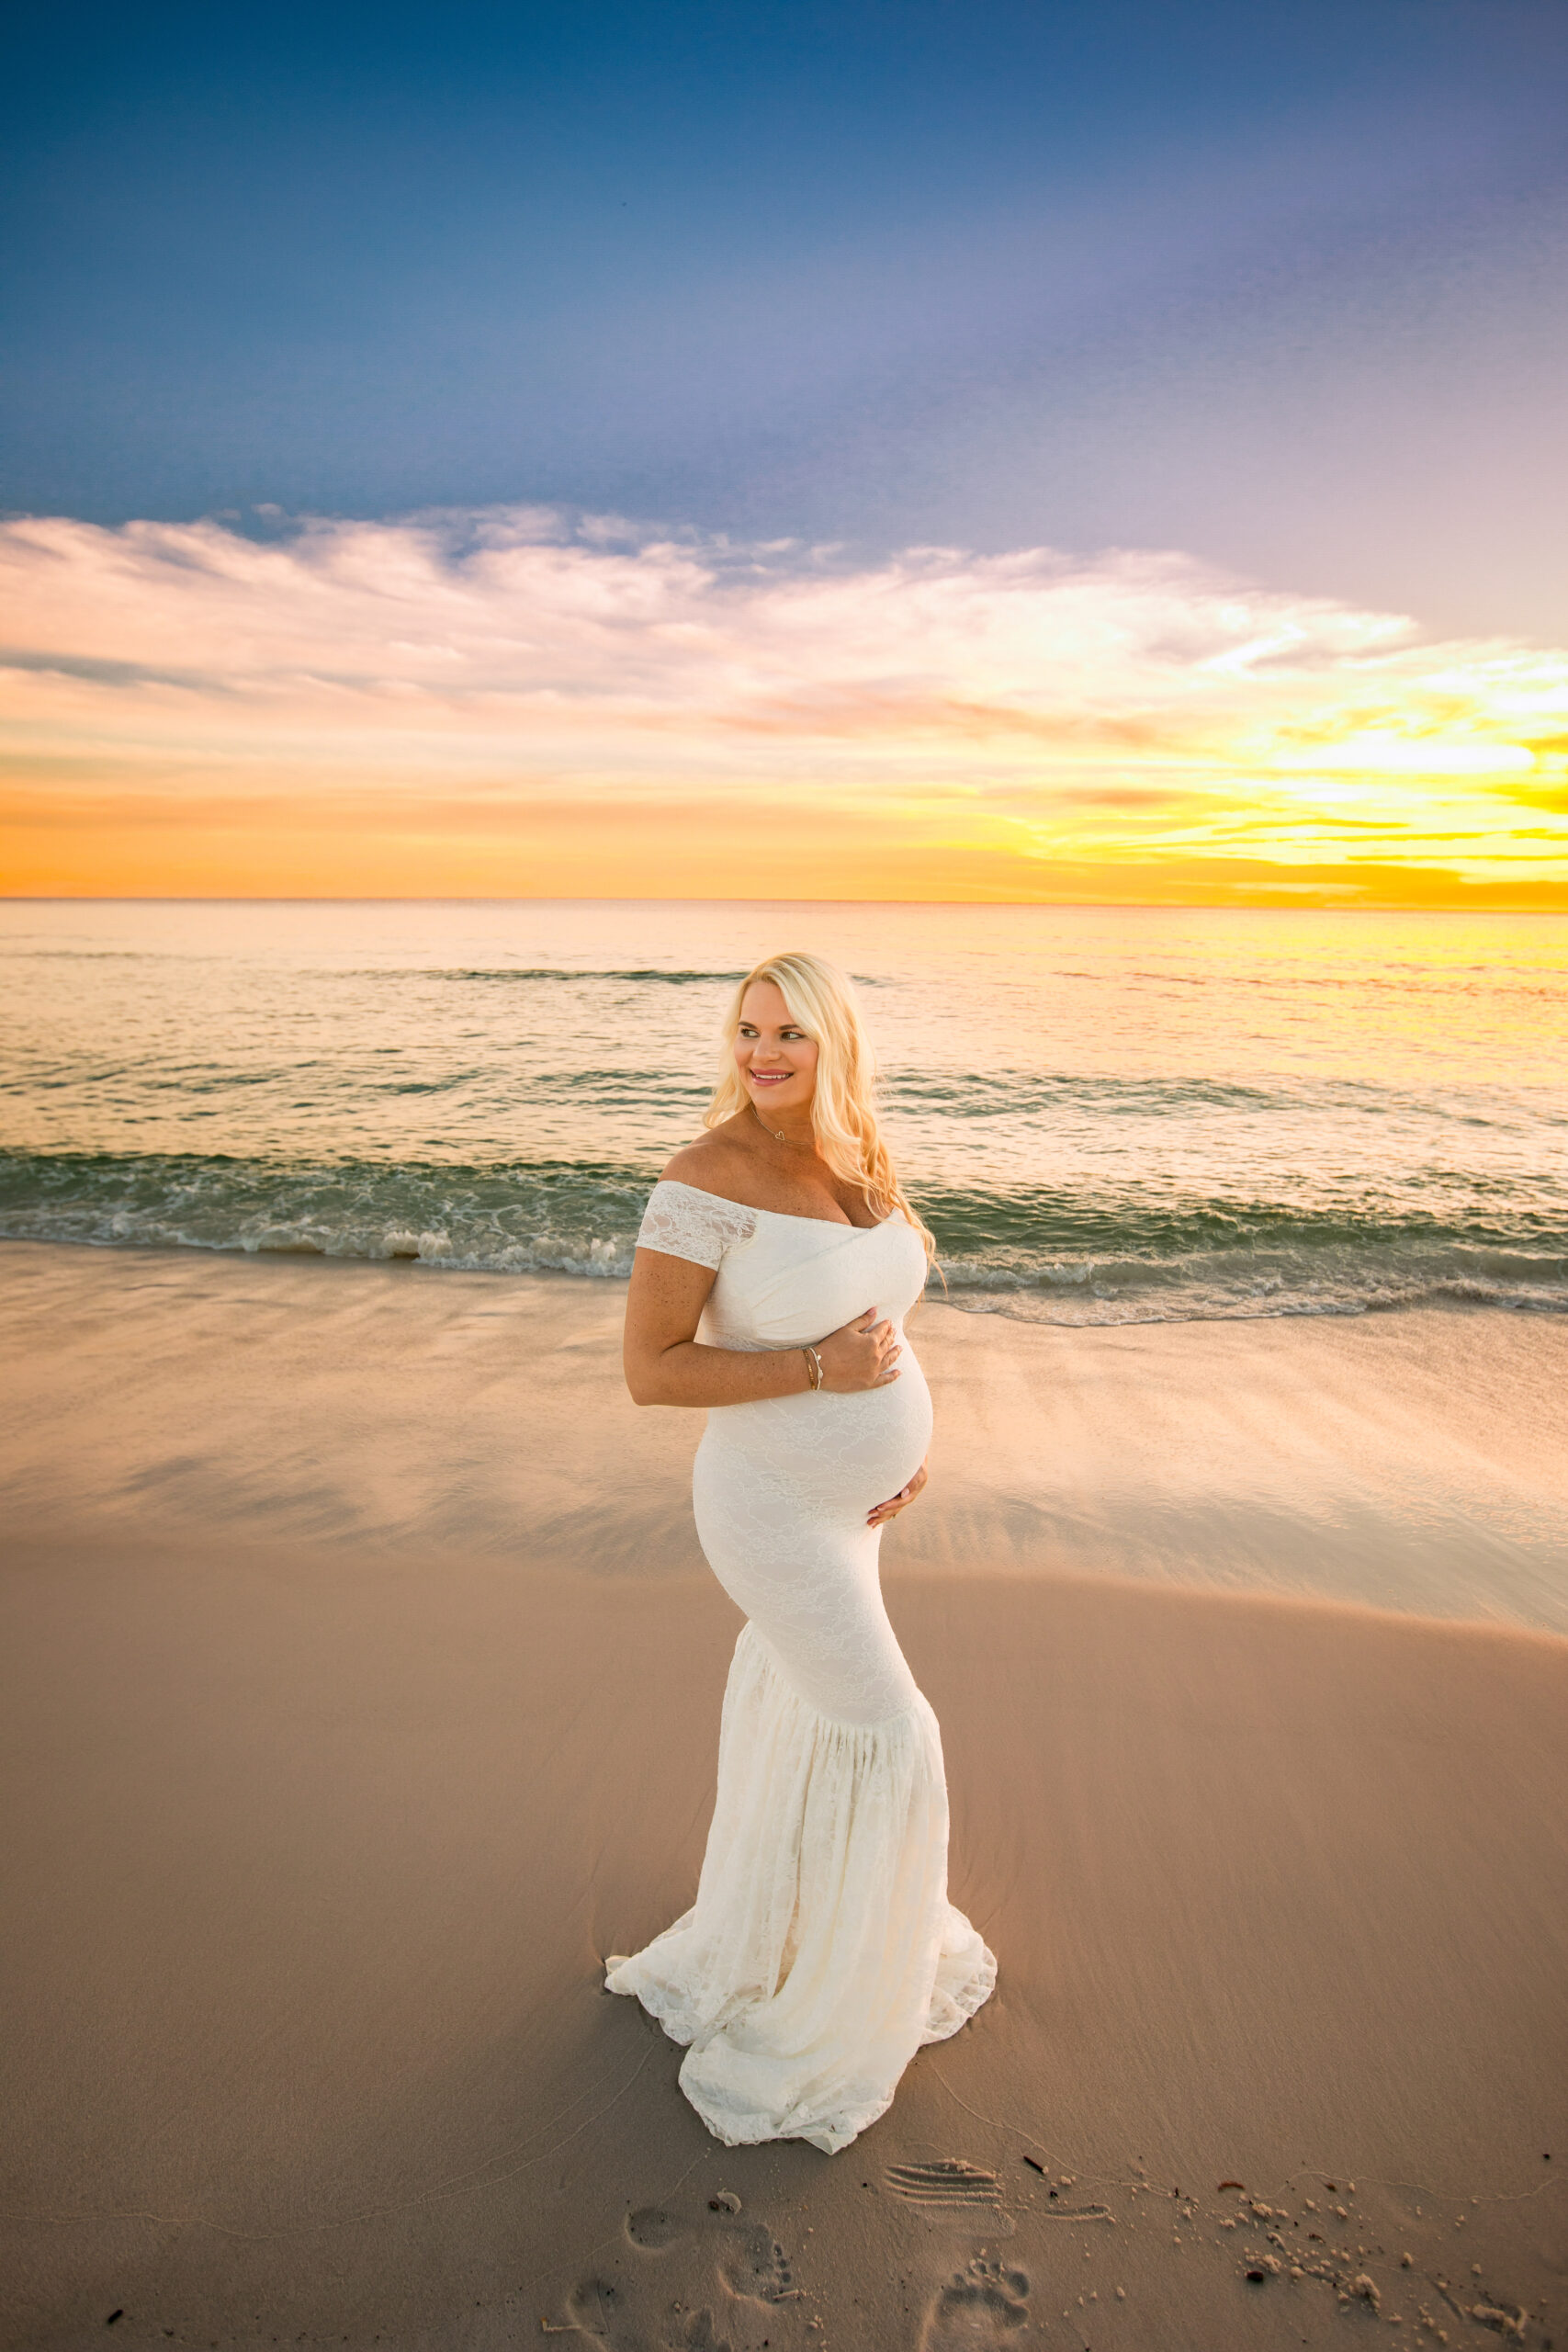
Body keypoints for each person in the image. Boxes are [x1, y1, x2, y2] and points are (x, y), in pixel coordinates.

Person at [609, 951, 994, 2154]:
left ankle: (806, 1932)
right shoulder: (702, 1179)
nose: (764, 1054)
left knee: (828, 1717)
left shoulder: (855, 1163)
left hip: (848, 1510)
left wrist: (896, 1451)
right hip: (769, 1511)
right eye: (748, 1030)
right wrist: (827, 1381)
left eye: (790, 1035)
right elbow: (651, 1370)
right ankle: (837, 1995)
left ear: (837, 1046)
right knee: (888, 1728)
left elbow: (884, 1329)